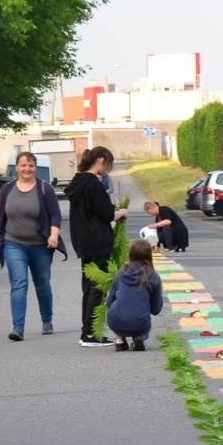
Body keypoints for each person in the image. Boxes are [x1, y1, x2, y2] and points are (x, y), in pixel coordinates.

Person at [0, 151, 66, 341]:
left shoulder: (44, 189)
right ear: (16, 168)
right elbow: (0, 216)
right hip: (14, 243)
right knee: (19, 283)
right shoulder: (7, 189)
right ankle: (18, 328)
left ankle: (47, 320)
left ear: (35, 168)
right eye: (23, 165)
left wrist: (53, 235)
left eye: (31, 165)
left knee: (42, 284)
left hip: (40, 245)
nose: (27, 169)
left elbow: (55, 215)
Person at [64, 146, 127, 347]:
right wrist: (122, 212)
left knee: (88, 287)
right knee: (98, 287)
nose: (108, 169)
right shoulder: (92, 184)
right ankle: (91, 334)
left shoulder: (78, 182)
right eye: (108, 164)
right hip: (97, 241)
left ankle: (87, 331)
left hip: (83, 242)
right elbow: (108, 213)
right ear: (100, 160)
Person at [106, 238, 164, 351]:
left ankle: (120, 338)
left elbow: (109, 302)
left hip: (115, 320)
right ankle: (139, 337)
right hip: (140, 322)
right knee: (141, 317)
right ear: (149, 256)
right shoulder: (152, 276)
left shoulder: (120, 273)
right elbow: (156, 309)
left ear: (130, 254)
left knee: (120, 310)